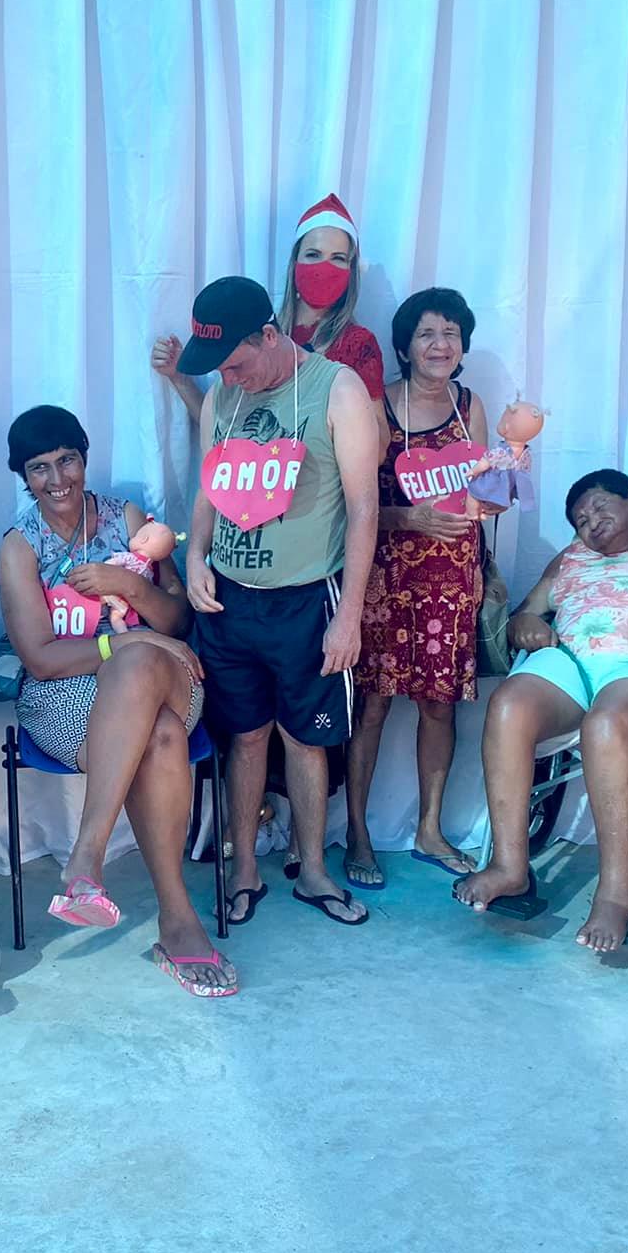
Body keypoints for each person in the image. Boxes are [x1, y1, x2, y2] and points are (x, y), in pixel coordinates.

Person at [0, 406, 235, 997]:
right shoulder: (19, 547)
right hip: (65, 694)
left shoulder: (124, 517)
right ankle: (178, 920)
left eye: (67, 460)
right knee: (160, 735)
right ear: (22, 476)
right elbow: (41, 659)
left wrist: (128, 587)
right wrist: (125, 641)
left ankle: (86, 857)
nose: (57, 479)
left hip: (167, 674)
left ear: (84, 456)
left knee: (142, 664)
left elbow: (178, 620)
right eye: (39, 467)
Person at [457, 470, 628, 952]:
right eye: (581, 520)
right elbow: (528, 611)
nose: (590, 523)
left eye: (598, 507)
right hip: (572, 662)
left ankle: (616, 895)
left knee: (606, 723)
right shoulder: (571, 557)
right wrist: (525, 624)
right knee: (508, 705)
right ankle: (509, 866)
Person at [180, 276, 380, 927]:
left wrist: (348, 616)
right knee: (244, 737)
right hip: (230, 602)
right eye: (219, 368)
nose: (228, 377)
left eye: (235, 363)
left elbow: (364, 508)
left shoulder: (337, 390)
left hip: (306, 600)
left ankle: (313, 871)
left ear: (269, 335)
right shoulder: (222, 396)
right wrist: (194, 557)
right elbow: (208, 487)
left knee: (305, 741)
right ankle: (244, 870)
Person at [344, 288, 494, 890]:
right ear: (404, 346)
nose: (440, 345)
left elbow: (482, 498)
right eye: (427, 333)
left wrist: (503, 487)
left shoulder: (470, 405)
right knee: (372, 707)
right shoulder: (378, 408)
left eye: (451, 333)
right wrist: (412, 518)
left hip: (453, 582)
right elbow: (351, 506)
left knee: (439, 706)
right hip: (386, 580)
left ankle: (430, 829)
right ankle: (357, 833)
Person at [152, 194, 388, 442]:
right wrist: (180, 378)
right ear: (295, 261)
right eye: (313, 254)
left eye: (338, 258)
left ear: (351, 270)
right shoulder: (256, 330)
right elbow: (219, 426)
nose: (324, 268)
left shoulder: (358, 345)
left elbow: (379, 444)